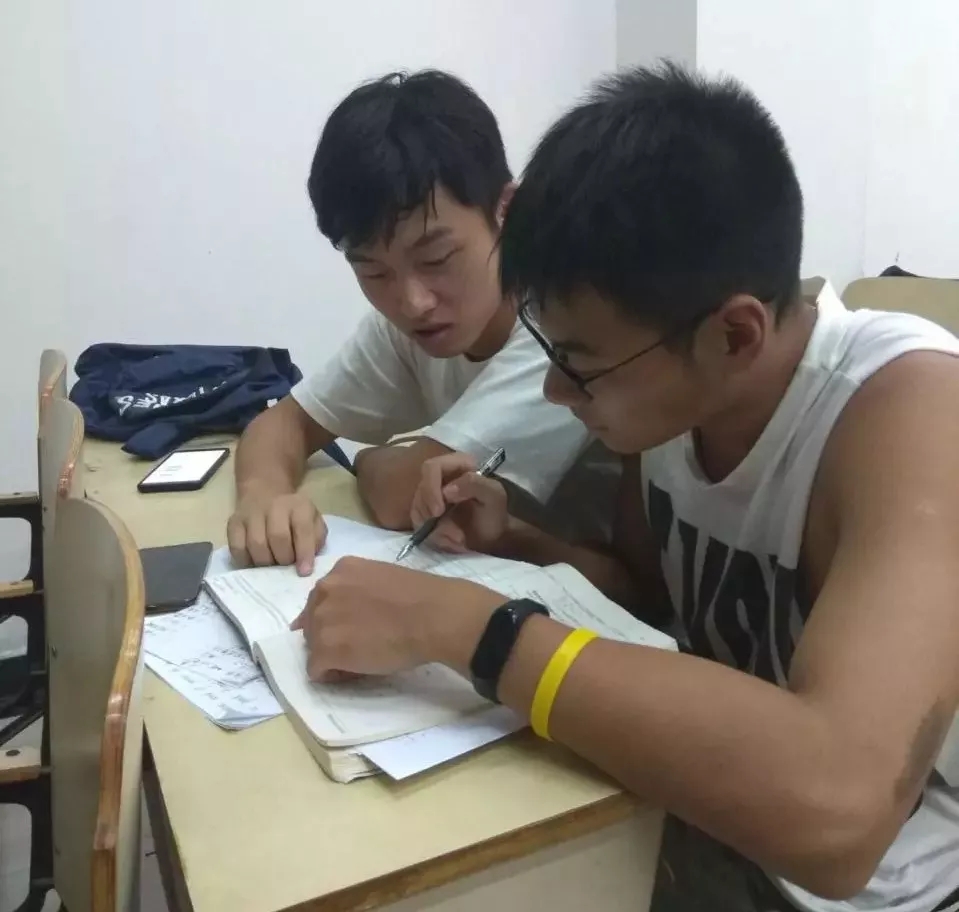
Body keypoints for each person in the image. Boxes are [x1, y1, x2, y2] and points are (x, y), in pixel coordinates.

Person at [291, 63, 959, 911]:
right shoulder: (672, 398)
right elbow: (647, 597)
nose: (554, 392)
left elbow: (840, 816)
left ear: (733, 336)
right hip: (691, 814)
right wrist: (518, 542)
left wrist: (472, 630)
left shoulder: (911, 408)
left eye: (579, 365)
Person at [228, 70, 611, 574]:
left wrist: (370, 457)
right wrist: (263, 496)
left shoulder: (558, 332)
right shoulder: (410, 326)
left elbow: (401, 494)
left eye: (436, 259)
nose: (412, 303)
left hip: (611, 599)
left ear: (507, 212)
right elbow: (285, 422)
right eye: (373, 271)